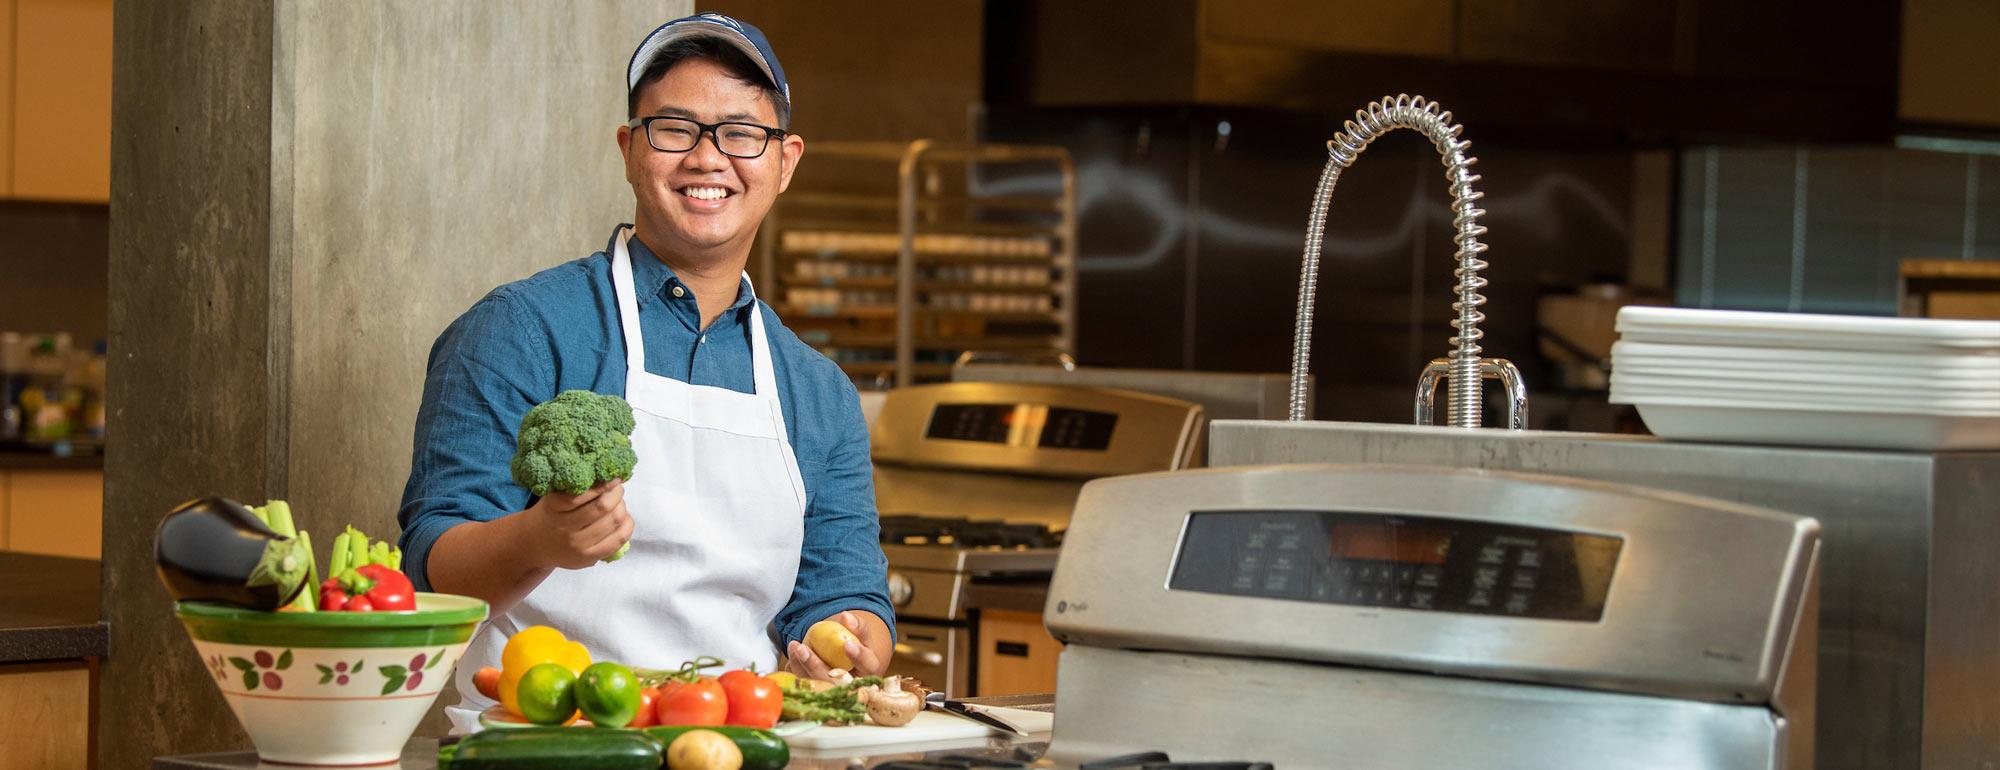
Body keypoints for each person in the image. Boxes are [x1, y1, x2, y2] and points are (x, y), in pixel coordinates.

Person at [393, 13, 893, 730]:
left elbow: (839, 590)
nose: (708, 158)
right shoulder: (522, 329)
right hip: (543, 744)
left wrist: (852, 637)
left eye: (741, 133)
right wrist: (540, 540)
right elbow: (432, 564)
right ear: (630, 150)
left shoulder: (818, 391)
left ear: (785, 162)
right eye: (675, 128)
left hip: (737, 742)